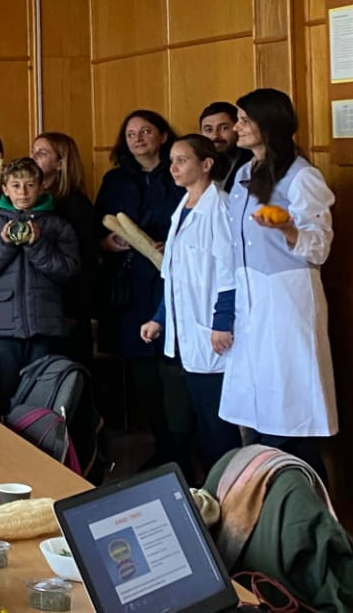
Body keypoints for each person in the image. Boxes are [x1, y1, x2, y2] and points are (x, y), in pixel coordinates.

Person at [221, 89, 336, 481]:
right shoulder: (243, 173)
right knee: (258, 415)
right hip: (250, 301)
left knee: (290, 416)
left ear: (268, 125)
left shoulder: (302, 176)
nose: (236, 128)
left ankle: (307, 504)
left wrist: (287, 227)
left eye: (244, 121)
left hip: (287, 301)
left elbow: (319, 246)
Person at [140, 135, 241, 474]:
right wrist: (159, 318)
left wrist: (222, 322)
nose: (173, 167)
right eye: (172, 160)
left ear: (206, 164)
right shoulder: (183, 206)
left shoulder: (220, 207)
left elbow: (228, 272)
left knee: (217, 426)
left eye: (182, 160)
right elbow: (175, 276)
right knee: (197, 419)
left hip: (212, 334)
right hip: (187, 334)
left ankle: (226, 493)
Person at [96, 110, 187, 469]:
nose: (137, 138)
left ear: (163, 136)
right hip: (130, 286)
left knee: (174, 374)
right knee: (142, 373)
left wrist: (170, 245)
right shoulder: (116, 179)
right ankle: (160, 447)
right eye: (131, 133)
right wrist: (108, 243)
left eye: (146, 131)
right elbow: (97, 228)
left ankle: (181, 451)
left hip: (170, 283)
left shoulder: (176, 173)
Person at [0, 157, 81, 413]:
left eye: (30, 185)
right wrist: (5, 245)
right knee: (6, 395)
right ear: (5, 189)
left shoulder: (57, 225)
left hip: (45, 324)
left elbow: (68, 270)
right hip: (4, 328)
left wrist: (37, 245)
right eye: (16, 186)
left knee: (42, 396)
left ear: (41, 187)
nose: (23, 192)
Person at [32, 131, 97, 360]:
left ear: (60, 163)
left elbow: (85, 264)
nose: (34, 158)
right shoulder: (31, 202)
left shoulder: (76, 205)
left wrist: (74, 312)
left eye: (42, 153)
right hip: (39, 307)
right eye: (33, 152)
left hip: (67, 309)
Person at [200, 101, 253, 191]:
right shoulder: (195, 162)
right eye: (209, 129)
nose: (215, 136)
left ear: (237, 128)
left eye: (224, 128)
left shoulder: (252, 162)